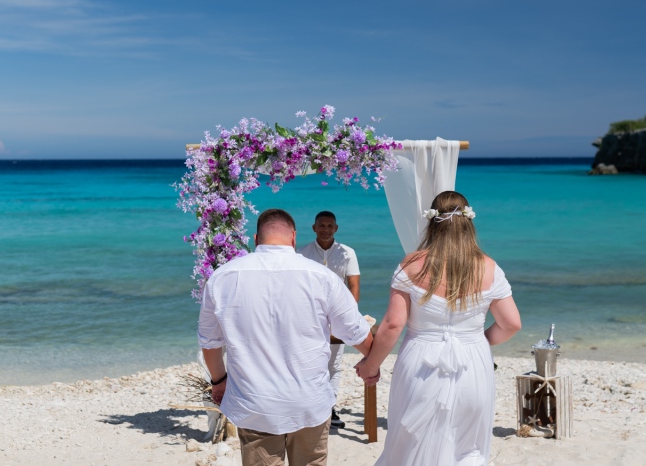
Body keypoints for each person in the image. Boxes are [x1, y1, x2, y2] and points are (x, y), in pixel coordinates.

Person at [355, 191, 521, 466]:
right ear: (469, 221)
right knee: (467, 448)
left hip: (421, 362)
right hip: (473, 363)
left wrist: (371, 366)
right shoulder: (489, 267)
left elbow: (393, 325)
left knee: (411, 444)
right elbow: (512, 324)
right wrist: (477, 341)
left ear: (431, 222)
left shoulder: (410, 265)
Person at [198, 209, 373, 466]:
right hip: (309, 400)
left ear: (256, 239)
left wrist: (219, 382)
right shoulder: (322, 277)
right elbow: (356, 333)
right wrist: (372, 361)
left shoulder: (222, 277)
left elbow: (210, 342)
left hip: (255, 400)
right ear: (293, 238)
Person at [297, 210, 360, 429]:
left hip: (337, 315)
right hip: (308, 316)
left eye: (329, 226)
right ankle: (310, 407)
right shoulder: (302, 253)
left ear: (336, 228)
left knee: (334, 364)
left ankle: (330, 408)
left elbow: (353, 286)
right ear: (314, 228)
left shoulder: (348, 253)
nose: (325, 229)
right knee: (309, 361)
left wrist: (349, 316)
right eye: (321, 225)